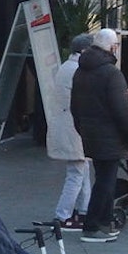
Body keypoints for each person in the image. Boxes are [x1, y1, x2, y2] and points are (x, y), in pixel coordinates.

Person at [69, 27, 128, 242]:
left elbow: (75, 107)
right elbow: (122, 109)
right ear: (112, 47)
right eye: (116, 45)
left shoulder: (80, 71)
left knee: (103, 178)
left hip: (90, 134)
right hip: (110, 136)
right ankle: (95, 225)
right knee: (106, 182)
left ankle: (102, 222)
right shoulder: (112, 73)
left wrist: (82, 129)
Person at [46, 33, 93, 230]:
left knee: (82, 170)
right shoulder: (78, 70)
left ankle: (84, 211)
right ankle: (63, 215)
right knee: (76, 173)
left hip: (68, 128)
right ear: (84, 51)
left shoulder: (66, 67)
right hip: (74, 130)